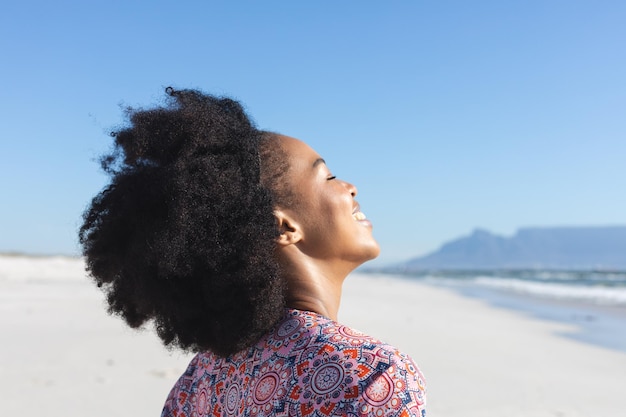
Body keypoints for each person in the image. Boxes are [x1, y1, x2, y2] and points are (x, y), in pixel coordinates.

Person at [80, 87, 426, 417]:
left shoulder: (200, 380)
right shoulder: (369, 376)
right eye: (329, 177)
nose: (351, 188)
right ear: (284, 227)